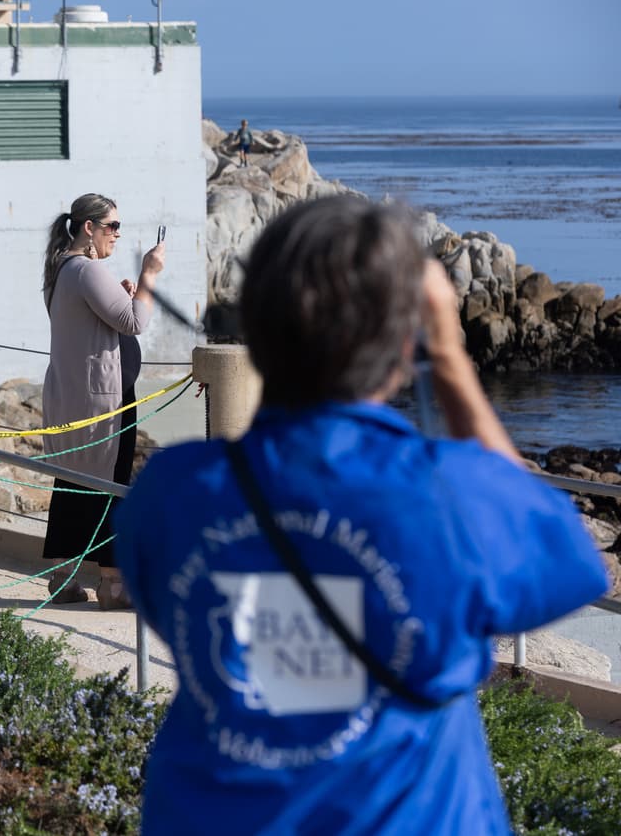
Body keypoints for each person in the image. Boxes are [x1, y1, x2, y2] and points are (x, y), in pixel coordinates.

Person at [113, 195, 608, 834]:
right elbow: (567, 554)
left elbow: (177, 614)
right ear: (404, 345)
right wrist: (450, 355)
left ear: (256, 330)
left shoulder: (170, 495)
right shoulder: (447, 496)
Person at [40, 193, 165, 610]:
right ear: (88, 228)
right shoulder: (88, 269)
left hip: (74, 396)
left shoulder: (63, 269)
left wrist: (124, 293)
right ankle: (112, 586)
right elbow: (134, 322)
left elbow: (102, 318)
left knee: (73, 483)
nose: (117, 234)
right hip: (103, 403)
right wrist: (148, 276)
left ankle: (62, 579)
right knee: (110, 486)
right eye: (112, 226)